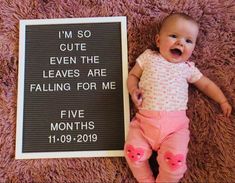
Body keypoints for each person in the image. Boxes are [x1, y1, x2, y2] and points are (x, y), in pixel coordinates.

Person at [124, 13, 232, 183]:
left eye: (188, 41)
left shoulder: (187, 68)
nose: (180, 42)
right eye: (174, 36)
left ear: (194, 47)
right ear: (158, 41)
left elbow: (206, 85)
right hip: (144, 123)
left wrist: (222, 100)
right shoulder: (148, 57)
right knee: (133, 153)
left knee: (175, 163)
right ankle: (145, 179)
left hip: (175, 129)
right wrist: (133, 89)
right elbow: (132, 76)